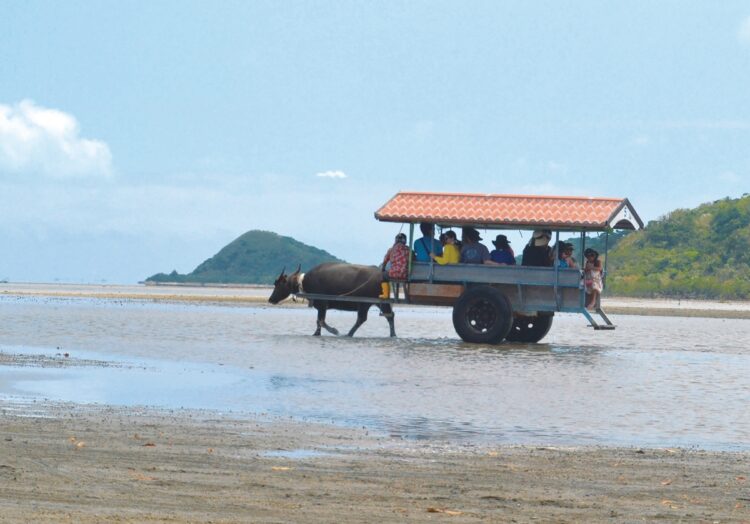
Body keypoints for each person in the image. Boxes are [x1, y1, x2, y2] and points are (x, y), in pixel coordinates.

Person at [380, 233, 410, 298]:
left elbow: (385, 261)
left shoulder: (391, 250)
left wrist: (382, 269)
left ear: (396, 240)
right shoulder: (409, 250)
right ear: (405, 241)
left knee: (383, 276)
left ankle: (386, 295)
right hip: (405, 275)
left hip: (393, 274)